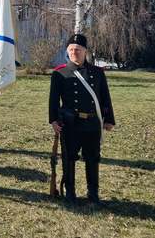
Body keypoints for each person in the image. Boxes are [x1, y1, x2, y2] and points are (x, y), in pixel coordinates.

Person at [49, 34, 115, 205]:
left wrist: (109, 119)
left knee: (93, 159)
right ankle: (70, 192)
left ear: (85, 51)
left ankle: (93, 194)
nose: (74, 53)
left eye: (77, 50)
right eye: (71, 50)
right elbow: (53, 100)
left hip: (92, 123)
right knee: (69, 159)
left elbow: (104, 97)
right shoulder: (60, 73)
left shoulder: (97, 72)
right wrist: (54, 120)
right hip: (70, 124)